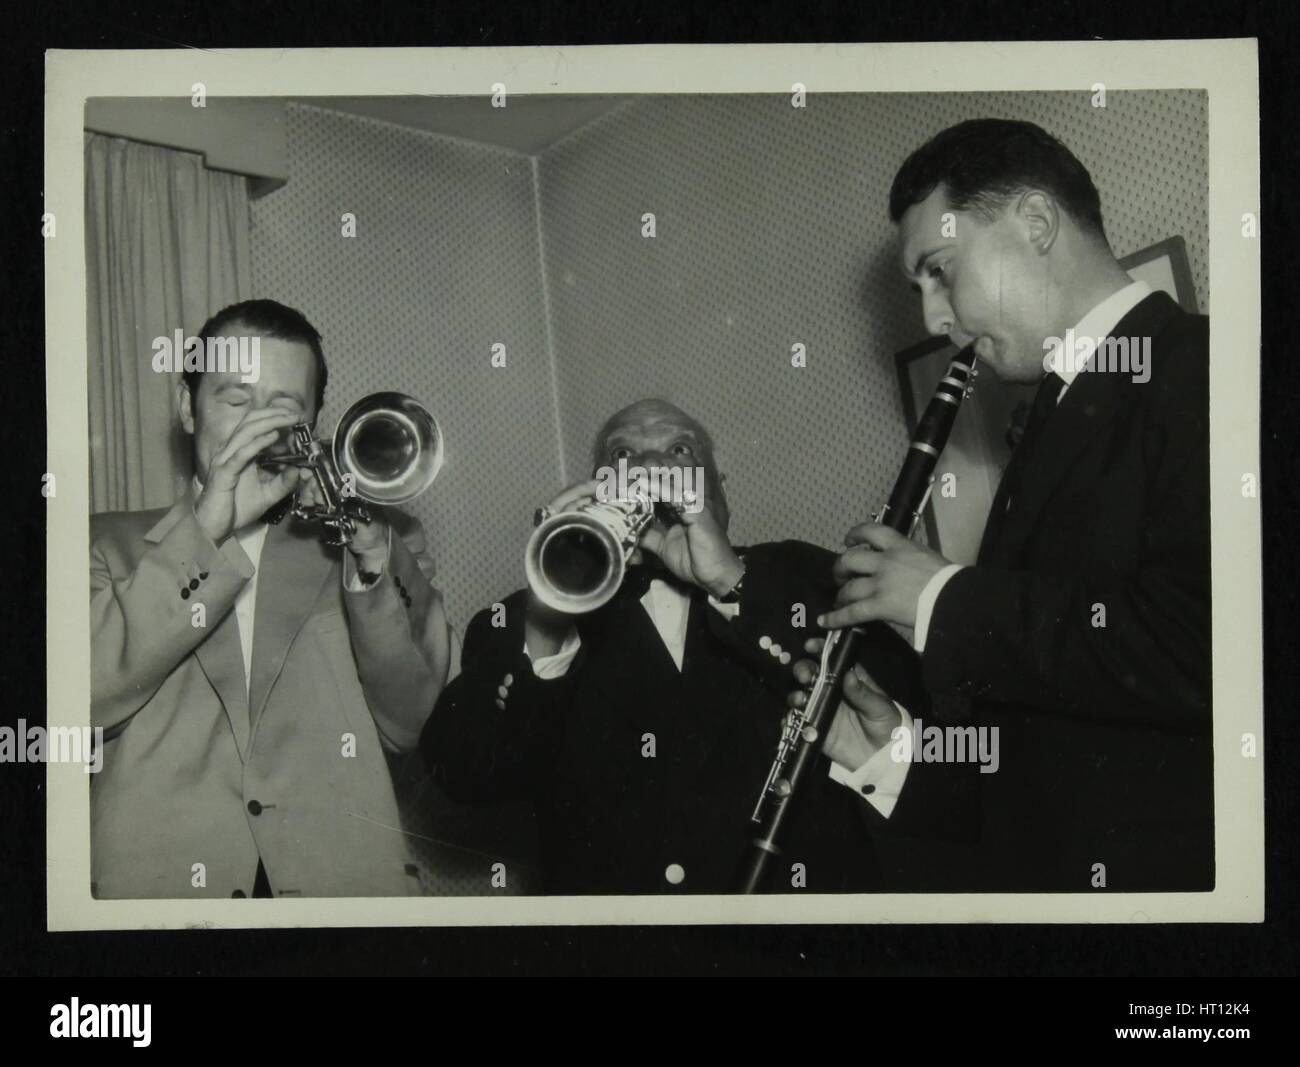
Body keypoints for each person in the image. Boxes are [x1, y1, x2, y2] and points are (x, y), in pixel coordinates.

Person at [795, 119, 1213, 891]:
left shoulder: (1208, 369)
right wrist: (888, 754)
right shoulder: (1053, 419)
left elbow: (1210, 647)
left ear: (1035, 222)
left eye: (941, 270)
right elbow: (1046, 757)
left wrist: (943, 599)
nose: (932, 318)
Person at [421, 399, 923, 894]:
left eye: (679, 450)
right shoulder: (536, 612)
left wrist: (732, 583)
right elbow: (464, 774)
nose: (648, 468)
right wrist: (550, 623)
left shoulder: (811, 577)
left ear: (720, 489)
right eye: (622, 457)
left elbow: (913, 749)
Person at [90, 299, 454, 898]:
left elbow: (411, 724)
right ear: (187, 407)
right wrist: (204, 534)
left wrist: (369, 562)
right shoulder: (105, 543)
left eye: (284, 408)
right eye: (236, 400)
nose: (259, 428)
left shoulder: (379, 543)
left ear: (313, 422)